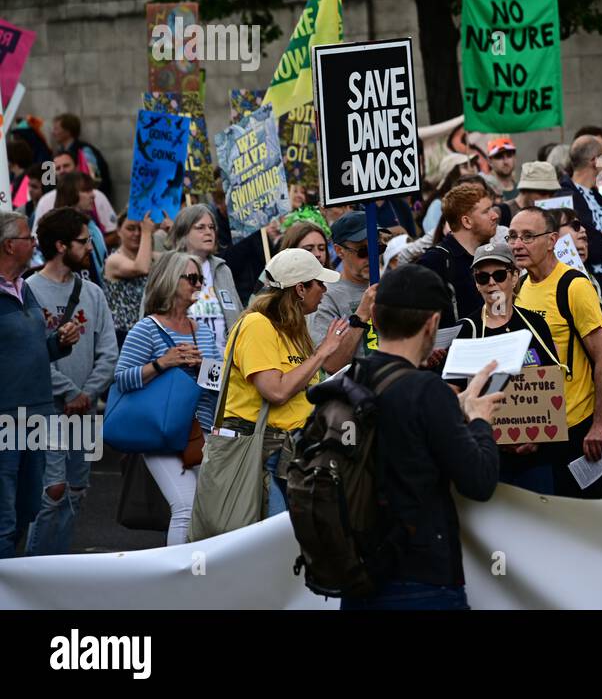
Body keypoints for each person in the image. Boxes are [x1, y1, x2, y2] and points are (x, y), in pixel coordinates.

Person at [340, 264, 505, 611]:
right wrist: (478, 420)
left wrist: (452, 408)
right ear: (432, 323)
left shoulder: (347, 381)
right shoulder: (426, 390)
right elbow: (479, 481)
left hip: (357, 573)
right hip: (421, 577)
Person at [221, 248, 350, 517]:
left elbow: (303, 384)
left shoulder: (292, 327)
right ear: (300, 289)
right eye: (319, 283)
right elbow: (276, 391)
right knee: (276, 543)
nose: (325, 290)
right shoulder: (257, 325)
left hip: (289, 452)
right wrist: (322, 352)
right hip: (259, 455)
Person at [25, 208, 119, 555]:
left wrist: (88, 393)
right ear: (61, 245)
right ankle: (34, 570)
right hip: (46, 409)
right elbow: (30, 357)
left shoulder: (92, 293)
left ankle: (60, 570)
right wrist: (69, 392)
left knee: (77, 491)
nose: (90, 245)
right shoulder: (28, 291)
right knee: (52, 491)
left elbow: (109, 351)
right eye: (83, 240)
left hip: (85, 410)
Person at [113, 251, 221, 545]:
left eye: (200, 279)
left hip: (198, 432)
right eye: (192, 278)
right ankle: (180, 580)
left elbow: (221, 381)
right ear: (171, 281)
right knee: (185, 507)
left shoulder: (203, 332)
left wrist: (203, 367)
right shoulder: (147, 329)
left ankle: (199, 576)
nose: (198, 284)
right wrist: (164, 362)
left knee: (206, 510)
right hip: (160, 433)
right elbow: (121, 378)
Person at [510, 206, 602, 497]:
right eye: (513, 237)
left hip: (576, 431)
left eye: (528, 236)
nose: (518, 244)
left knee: (583, 521)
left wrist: (599, 425)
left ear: (552, 240)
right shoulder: (520, 285)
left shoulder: (574, 286)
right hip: (540, 430)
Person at [0, 211, 82, 558]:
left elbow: (36, 350)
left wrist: (60, 342)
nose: (35, 244)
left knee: (27, 507)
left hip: (37, 414)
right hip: (5, 418)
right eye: (27, 238)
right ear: (8, 245)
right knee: (3, 517)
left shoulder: (24, 288)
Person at [452, 242, 561, 493]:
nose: (492, 283)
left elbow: (552, 382)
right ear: (476, 283)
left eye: (499, 275)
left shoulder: (535, 324)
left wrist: (536, 437)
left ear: (514, 277)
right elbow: (453, 392)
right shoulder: (466, 330)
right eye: (482, 277)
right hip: (486, 454)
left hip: (535, 455)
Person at [416, 182, 499, 319]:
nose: (495, 215)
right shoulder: (435, 262)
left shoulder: (491, 254)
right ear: (466, 222)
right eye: (486, 211)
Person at [167, 205, 243, 350]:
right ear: (183, 233)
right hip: (184, 361)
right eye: (200, 227)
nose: (208, 232)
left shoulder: (223, 270)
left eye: (211, 227)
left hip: (224, 364)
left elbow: (237, 316)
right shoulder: (169, 268)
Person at [561, 134, 602, 296]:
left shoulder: (597, 196)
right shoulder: (565, 197)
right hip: (589, 284)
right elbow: (593, 247)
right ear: (594, 160)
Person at [306, 211, 378, 363]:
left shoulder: (388, 284)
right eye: (363, 251)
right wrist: (361, 315)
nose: (372, 256)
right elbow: (331, 364)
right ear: (339, 251)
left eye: (377, 247)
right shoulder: (325, 296)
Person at [32, 152, 118, 240]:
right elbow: (37, 239)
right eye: (58, 168)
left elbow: (114, 232)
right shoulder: (45, 201)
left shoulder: (97, 196)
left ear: (77, 167)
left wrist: (95, 246)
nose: (62, 171)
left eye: (66, 166)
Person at [104, 212, 156, 347]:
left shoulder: (153, 257)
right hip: (123, 334)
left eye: (140, 228)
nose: (137, 233)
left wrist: (171, 231)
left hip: (149, 332)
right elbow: (141, 268)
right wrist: (146, 233)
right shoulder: (113, 260)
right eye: (131, 228)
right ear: (118, 231)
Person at [51, 173, 108, 282]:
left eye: (92, 190)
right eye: (86, 191)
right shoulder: (58, 229)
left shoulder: (91, 223)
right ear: (70, 193)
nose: (93, 195)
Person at [51, 113, 115, 205]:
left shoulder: (85, 151)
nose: (53, 133)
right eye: (58, 168)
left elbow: (95, 179)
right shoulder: (58, 152)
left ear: (68, 130)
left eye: (57, 129)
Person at [498, 160, 561, 225]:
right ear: (525, 190)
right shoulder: (501, 213)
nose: (548, 199)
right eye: (543, 193)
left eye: (552, 194)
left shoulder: (553, 214)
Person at [486, 137, 519, 201]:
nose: (505, 162)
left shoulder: (522, 191)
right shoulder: (487, 193)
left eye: (509, 156)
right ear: (490, 162)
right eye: (499, 157)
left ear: (514, 158)